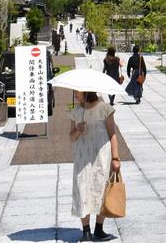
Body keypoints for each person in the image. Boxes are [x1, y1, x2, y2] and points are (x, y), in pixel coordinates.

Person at [70, 90, 121, 242]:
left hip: (102, 157)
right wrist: (77, 131)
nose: (74, 95)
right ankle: (86, 231)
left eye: (77, 92)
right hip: (82, 158)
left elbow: (112, 134)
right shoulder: (76, 112)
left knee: (101, 189)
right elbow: (71, 138)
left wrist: (116, 158)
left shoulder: (104, 108)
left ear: (86, 92)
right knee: (81, 189)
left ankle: (99, 229)